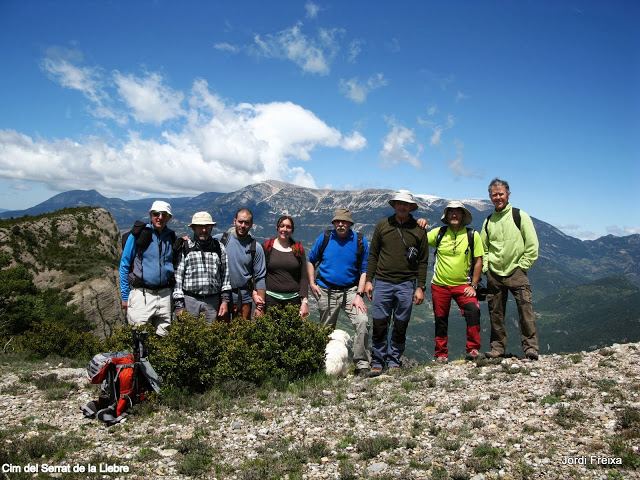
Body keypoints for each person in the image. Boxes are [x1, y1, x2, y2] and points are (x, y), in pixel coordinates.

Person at [365, 190, 429, 376]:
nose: (402, 207)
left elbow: (423, 260)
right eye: (399, 203)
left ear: (410, 207)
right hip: (383, 282)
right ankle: (377, 362)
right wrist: (369, 280)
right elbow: (373, 254)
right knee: (379, 324)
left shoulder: (419, 229)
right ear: (394, 205)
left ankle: (394, 361)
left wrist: (421, 286)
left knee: (401, 324)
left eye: (406, 204)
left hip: (406, 284)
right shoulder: (382, 226)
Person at [307, 208, 371, 376]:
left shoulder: (360, 241)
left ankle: (362, 365)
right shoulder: (326, 237)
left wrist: (359, 294)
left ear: (350, 224)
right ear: (334, 223)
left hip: (351, 290)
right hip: (326, 290)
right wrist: (312, 283)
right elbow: (311, 260)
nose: (341, 224)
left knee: (362, 321)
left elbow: (365, 270)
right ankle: (320, 365)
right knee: (325, 331)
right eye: (338, 221)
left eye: (344, 222)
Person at [480, 178, 540, 360]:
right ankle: (498, 349)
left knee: (525, 310)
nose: (497, 197)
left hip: (517, 272)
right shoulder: (489, 221)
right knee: (495, 313)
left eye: (501, 194)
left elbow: (532, 244)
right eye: (494, 195)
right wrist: (486, 268)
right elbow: (483, 247)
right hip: (495, 274)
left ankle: (531, 348)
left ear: (508, 195)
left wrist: (523, 266)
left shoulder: (519, 216)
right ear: (490, 197)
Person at [425, 201, 483, 362]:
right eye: (451, 212)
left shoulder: (472, 235)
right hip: (439, 285)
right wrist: (420, 224)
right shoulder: (439, 233)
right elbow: (420, 238)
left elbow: (479, 260)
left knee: (473, 311)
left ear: (463, 216)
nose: (454, 215)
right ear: (447, 216)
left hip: (464, 284)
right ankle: (441, 354)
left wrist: (474, 285)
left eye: (458, 212)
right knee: (441, 319)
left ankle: (472, 349)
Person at [119, 201, 176, 336]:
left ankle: (159, 358)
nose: (160, 217)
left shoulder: (171, 236)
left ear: (169, 217)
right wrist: (125, 296)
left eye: (164, 214)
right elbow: (124, 264)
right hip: (142, 294)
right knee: (138, 337)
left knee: (164, 337)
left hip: (165, 295)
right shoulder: (139, 235)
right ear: (150, 215)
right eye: (156, 214)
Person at [173, 211, 231, 324]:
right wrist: (179, 306)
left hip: (212, 301)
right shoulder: (185, 247)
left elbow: (225, 277)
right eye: (200, 226)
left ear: (211, 228)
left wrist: (224, 301)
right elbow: (178, 278)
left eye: (207, 226)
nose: (203, 230)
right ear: (194, 228)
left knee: (210, 337)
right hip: (189, 300)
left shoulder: (219, 248)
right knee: (188, 336)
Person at [214, 209, 267, 320]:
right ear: (234, 222)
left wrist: (260, 307)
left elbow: (260, 277)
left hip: (244, 299)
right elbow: (202, 242)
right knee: (221, 333)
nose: (243, 226)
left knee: (242, 334)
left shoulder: (255, 247)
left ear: (251, 225)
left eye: (246, 223)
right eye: (240, 222)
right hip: (222, 297)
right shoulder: (221, 240)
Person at [263, 215, 310, 317]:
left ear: (292, 230)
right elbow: (259, 273)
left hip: (293, 300)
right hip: (271, 299)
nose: (285, 229)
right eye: (282, 226)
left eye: (288, 227)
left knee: (292, 331)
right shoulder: (267, 246)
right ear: (277, 228)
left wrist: (304, 302)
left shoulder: (298, 248)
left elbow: (303, 276)